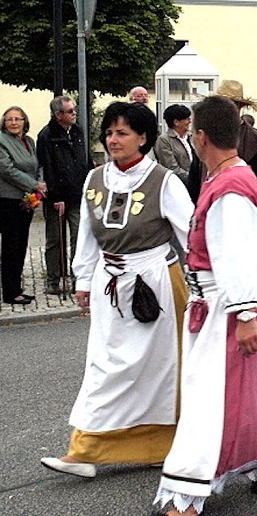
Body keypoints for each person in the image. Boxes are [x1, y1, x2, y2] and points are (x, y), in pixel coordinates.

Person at [153, 95, 257, 516]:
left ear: (200, 138)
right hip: (224, 297)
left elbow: (236, 252)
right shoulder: (228, 177)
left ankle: (187, 492)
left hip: (227, 300)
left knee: (208, 395)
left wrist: (246, 315)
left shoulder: (230, 186)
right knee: (249, 388)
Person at [40, 102, 192, 478]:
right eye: (109, 133)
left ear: (143, 138)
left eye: (122, 133)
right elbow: (88, 236)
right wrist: (84, 279)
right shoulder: (94, 180)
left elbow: (193, 235)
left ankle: (165, 445)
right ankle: (86, 450)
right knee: (105, 368)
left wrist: (211, 283)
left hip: (157, 284)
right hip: (112, 284)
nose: (113, 140)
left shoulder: (163, 181)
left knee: (161, 371)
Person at [36, 96, 90, 296]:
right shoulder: (46, 135)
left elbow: (84, 160)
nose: (74, 114)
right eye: (70, 111)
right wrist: (55, 196)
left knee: (79, 238)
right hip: (56, 198)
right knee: (55, 240)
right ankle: (53, 279)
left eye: (74, 110)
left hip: (77, 195)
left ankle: (78, 277)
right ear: (58, 115)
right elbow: (47, 167)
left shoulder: (77, 131)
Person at [0, 106, 44, 305]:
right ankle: (10, 293)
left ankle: (16, 287)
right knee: (11, 247)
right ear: (4, 122)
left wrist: (39, 186)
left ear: (25, 121)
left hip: (26, 201)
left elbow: (37, 166)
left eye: (18, 119)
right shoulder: (1, 141)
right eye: (9, 119)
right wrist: (34, 184)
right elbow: (7, 170)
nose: (14, 123)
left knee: (20, 246)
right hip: (7, 201)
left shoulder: (29, 141)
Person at [213, 80, 257, 207]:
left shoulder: (254, 139)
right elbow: (195, 180)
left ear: (239, 107)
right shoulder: (208, 135)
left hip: (242, 208)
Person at [155, 104, 196, 183]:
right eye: (187, 119)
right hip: (179, 184)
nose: (190, 122)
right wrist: (194, 180)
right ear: (176, 122)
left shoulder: (191, 137)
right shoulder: (164, 140)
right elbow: (171, 167)